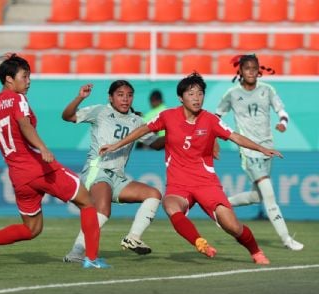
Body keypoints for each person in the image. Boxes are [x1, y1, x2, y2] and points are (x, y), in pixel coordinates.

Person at [99, 72, 284, 265]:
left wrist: (261, 148)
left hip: (206, 183)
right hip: (179, 185)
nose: (197, 98)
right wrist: (115, 145)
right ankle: (199, 242)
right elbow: (143, 130)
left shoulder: (210, 120)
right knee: (170, 205)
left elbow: (235, 136)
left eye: (200, 93)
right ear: (181, 97)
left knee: (233, 227)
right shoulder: (168, 116)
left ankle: (255, 252)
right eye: (191, 94)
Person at [0, 54, 108, 269]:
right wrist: (43, 148)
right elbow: (24, 125)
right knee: (87, 202)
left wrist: (5, 61)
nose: (28, 81)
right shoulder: (18, 98)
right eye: (25, 76)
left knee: (32, 228)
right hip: (38, 167)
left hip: (18, 174)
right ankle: (91, 259)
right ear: (10, 79)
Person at [62, 80, 164, 263]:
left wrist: (177, 130)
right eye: (120, 95)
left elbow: (156, 144)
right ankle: (77, 251)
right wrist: (80, 97)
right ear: (111, 97)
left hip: (118, 177)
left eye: (129, 95)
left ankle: (133, 237)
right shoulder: (101, 111)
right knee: (103, 210)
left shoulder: (137, 121)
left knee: (154, 194)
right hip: (97, 170)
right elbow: (67, 116)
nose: (125, 99)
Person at [215, 53, 303, 251]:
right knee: (269, 195)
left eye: (254, 69)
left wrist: (282, 123)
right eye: (247, 68)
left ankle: (221, 207)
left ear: (259, 71)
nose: (251, 72)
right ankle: (286, 239)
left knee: (257, 197)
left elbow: (282, 111)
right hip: (248, 151)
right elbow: (216, 117)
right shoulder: (232, 94)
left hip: (267, 148)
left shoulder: (267, 90)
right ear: (240, 71)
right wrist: (215, 140)